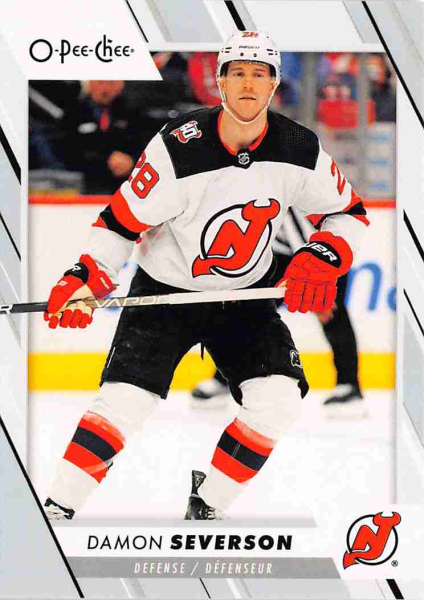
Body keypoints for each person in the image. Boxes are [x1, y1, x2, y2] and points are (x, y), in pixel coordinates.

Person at [43, 31, 368, 521]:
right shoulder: (178, 147)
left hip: (243, 298)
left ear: (274, 84)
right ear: (219, 81)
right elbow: (120, 222)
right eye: (237, 73)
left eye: (259, 74)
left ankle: (209, 501)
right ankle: (57, 506)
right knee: (125, 401)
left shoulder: (299, 147)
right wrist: (86, 275)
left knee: (278, 400)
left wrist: (324, 253)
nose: (248, 84)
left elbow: (348, 212)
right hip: (165, 292)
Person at [192, 207, 366, 418]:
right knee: (248, 312)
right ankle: (224, 379)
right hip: (282, 253)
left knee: (331, 314)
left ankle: (349, 386)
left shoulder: (303, 189)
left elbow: (305, 224)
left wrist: (315, 277)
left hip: (325, 253)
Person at [58, 80, 142, 194]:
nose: (105, 89)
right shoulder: (73, 112)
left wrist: (132, 161)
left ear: (120, 86)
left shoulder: (133, 112)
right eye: (100, 83)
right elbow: (66, 150)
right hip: (86, 182)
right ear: (90, 84)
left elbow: (142, 142)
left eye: (111, 84)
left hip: (126, 182)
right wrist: (106, 161)